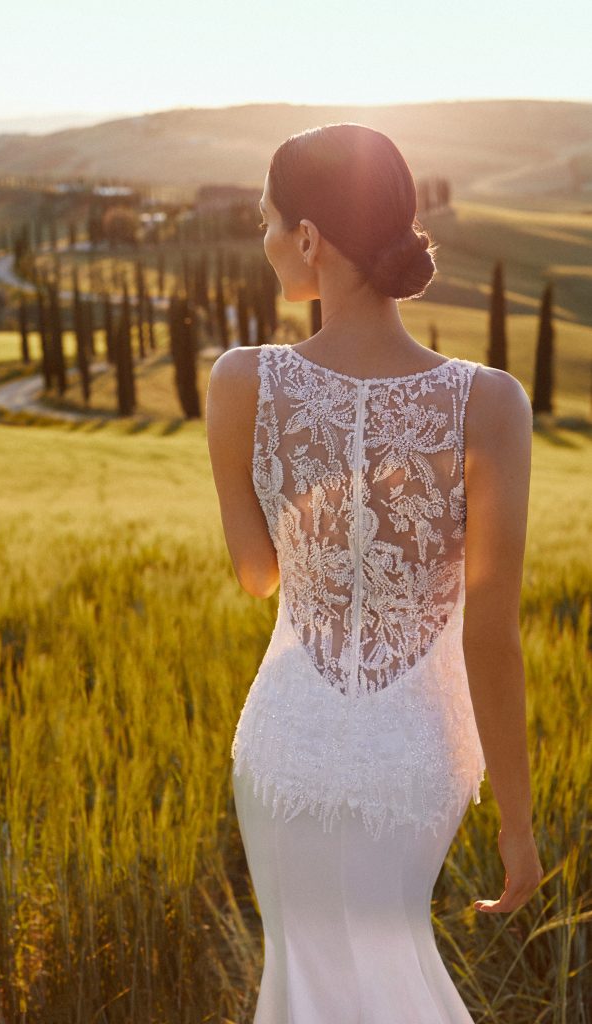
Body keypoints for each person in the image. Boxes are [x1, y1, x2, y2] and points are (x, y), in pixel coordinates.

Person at [205, 122, 543, 1024]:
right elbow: (490, 630)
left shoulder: (241, 381)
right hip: (416, 754)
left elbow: (256, 577)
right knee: (391, 959)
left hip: (287, 744)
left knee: (307, 982)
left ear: (309, 238)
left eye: (271, 221)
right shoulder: (491, 402)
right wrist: (516, 821)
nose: (266, 241)